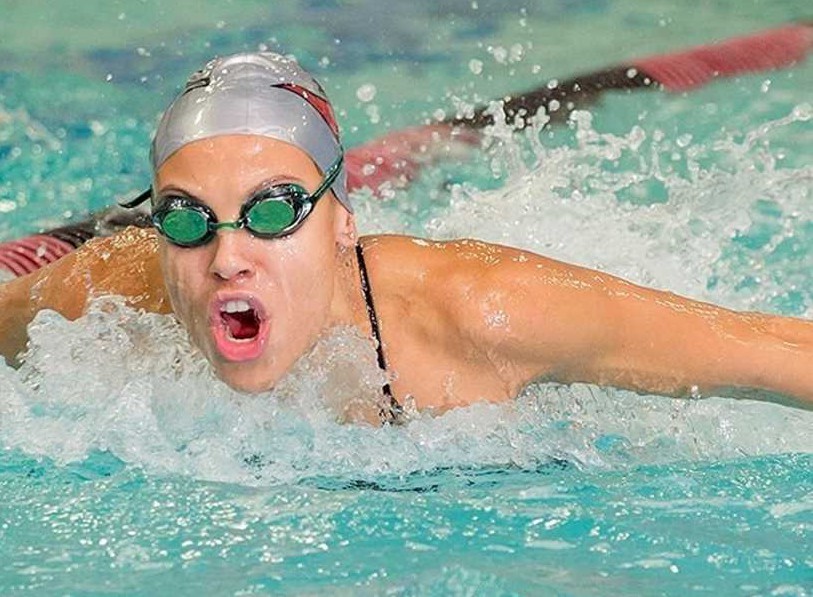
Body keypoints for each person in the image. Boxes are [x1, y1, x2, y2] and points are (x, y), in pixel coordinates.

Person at [0, 52, 811, 422]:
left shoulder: (484, 315)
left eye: (275, 210)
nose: (225, 256)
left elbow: (770, 349)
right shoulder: (105, 295)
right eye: (182, 216)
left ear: (341, 221)